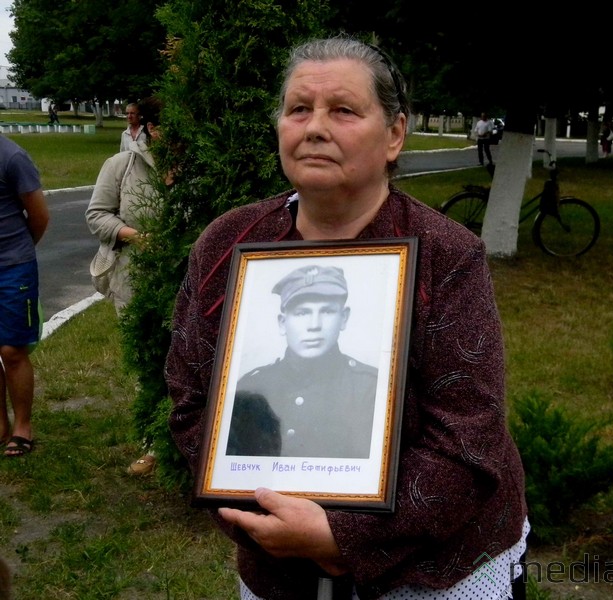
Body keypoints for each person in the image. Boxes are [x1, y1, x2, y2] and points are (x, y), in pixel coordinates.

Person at [166, 36, 528, 600]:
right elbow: (191, 399)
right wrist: (255, 510)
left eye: (343, 110)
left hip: (431, 567)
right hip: (278, 563)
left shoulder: (446, 255)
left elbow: (468, 438)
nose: (314, 128)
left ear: (394, 135)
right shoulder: (227, 244)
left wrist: (344, 534)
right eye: (298, 109)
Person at [86, 95, 163, 475]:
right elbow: (96, 215)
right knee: (147, 358)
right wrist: (132, 234)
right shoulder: (121, 165)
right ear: (149, 127)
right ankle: (153, 445)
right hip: (133, 276)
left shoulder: (198, 165)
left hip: (187, 276)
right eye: (163, 126)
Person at [229, 264, 378, 458]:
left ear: (344, 318)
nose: (314, 325)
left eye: (327, 311)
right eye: (302, 313)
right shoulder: (251, 387)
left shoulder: (370, 388)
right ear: (282, 323)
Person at [0, 132, 49, 457]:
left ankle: (22, 427)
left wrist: (18, 253)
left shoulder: (12, 157)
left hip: (12, 267)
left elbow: (40, 216)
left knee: (12, 350)